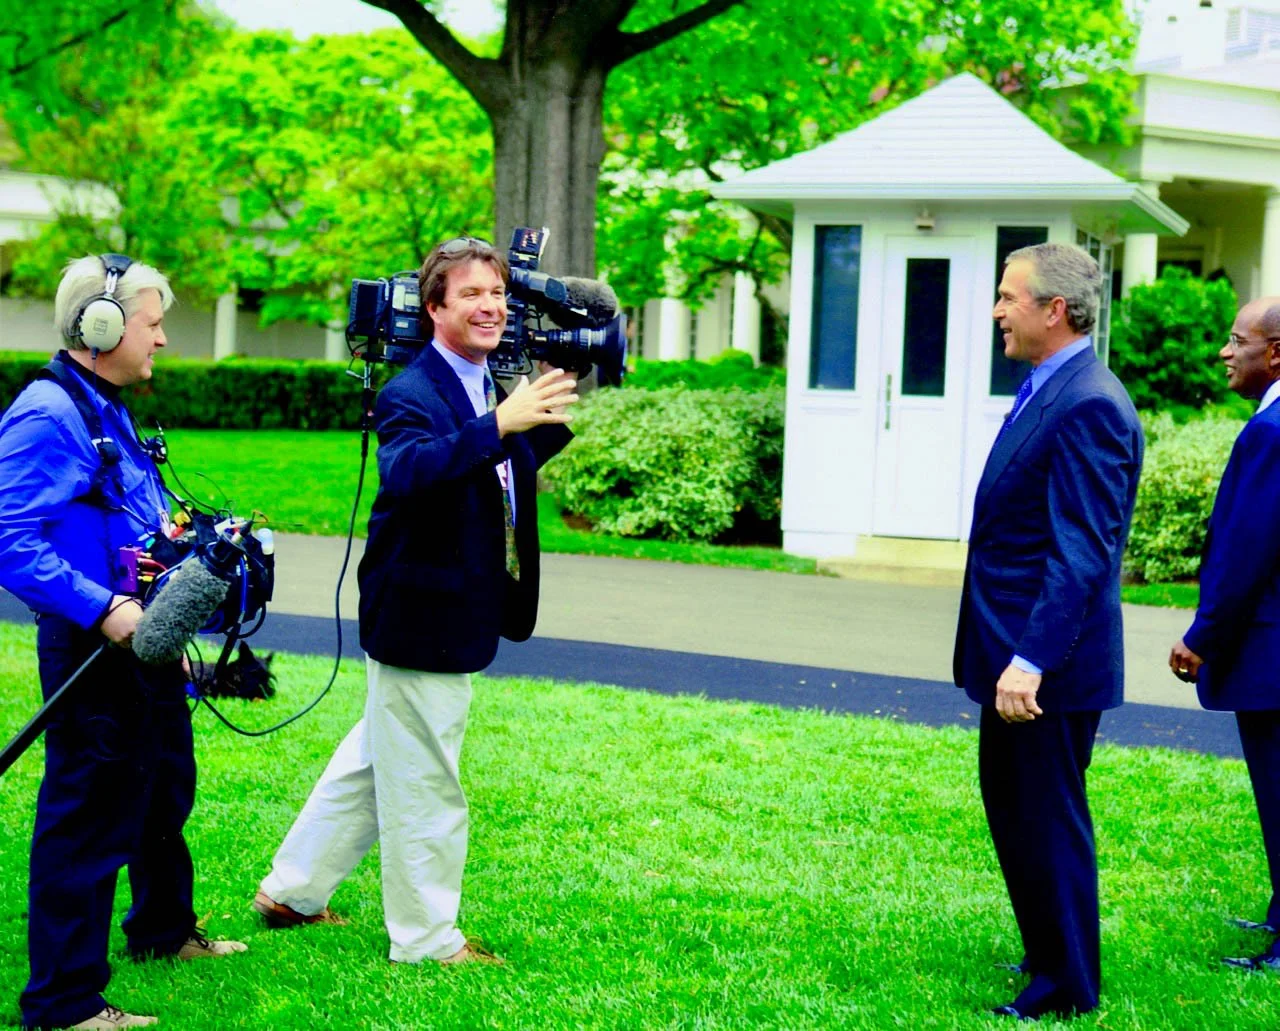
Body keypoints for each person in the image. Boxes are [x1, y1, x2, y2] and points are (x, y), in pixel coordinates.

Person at [253, 236, 577, 965]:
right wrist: (500, 422)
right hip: (420, 614)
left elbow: (492, 467)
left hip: (449, 607)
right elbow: (411, 470)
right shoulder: (411, 391)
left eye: (497, 293)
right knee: (427, 777)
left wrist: (533, 416)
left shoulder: (484, 382)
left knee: (374, 759)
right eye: (471, 294)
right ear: (434, 307)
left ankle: (291, 891)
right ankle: (428, 939)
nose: (491, 305)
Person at [0, 255, 246, 1031]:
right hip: (95, 646)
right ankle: (63, 1002)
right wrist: (104, 606)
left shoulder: (102, 404)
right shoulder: (48, 413)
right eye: (153, 323)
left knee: (163, 784)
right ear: (99, 327)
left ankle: (163, 931)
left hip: (147, 634)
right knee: (88, 814)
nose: (164, 339)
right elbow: (9, 536)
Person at [953, 242, 1144, 1021]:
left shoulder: (1091, 401)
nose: (998, 310)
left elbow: (1082, 552)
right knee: (1017, 806)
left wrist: (1028, 659)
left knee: (1046, 814)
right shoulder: (1052, 385)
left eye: (1008, 296)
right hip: (1013, 654)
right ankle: (1047, 951)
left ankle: (1066, 986)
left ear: (1054, 310)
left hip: (1045, 668)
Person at [1169, 296, 1280, 971]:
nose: (1224, 352)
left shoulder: (1271, 433)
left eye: (1237, 340)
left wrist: (1203, 634)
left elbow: (1247, 550)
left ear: (1275, 353)